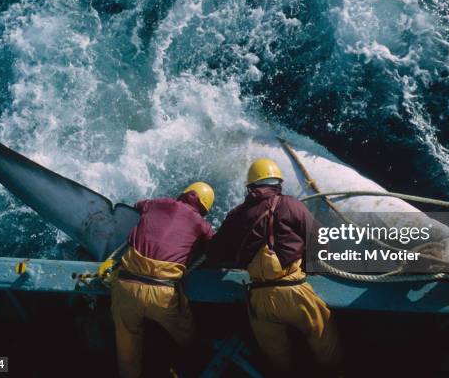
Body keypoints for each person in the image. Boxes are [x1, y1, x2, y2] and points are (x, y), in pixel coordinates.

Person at [209, 158, 341, 372]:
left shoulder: (235, 215)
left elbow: (214, 253)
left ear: (250, 187)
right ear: (277, 185)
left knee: (278, 362)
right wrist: (310, 266)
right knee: (324, 342)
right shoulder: (290, 204)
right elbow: (321, 240)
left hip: (259, 299)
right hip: (294, 292)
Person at [110, 182, 215, 378]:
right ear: (204, 209)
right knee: (187, 337)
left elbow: (138, 205)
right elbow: (215, 245)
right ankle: (188, 367)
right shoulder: (201, 223)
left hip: (126, 285)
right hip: (163, 295)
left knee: (127, 347)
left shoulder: (157, 203)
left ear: (182, 194)